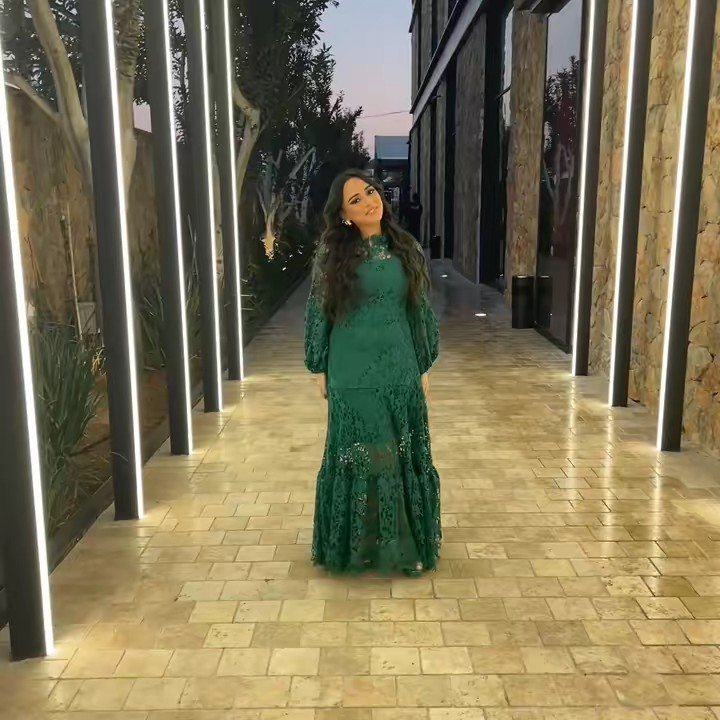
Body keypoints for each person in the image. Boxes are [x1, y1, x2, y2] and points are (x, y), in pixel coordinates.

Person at [304, 169, 441, 577]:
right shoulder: (332, 256)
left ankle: (397, 543)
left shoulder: (406, 248)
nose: (369, 202)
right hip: (352, 371)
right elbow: (319, 310)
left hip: (399, 366)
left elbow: (418, 308)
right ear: (343, 215)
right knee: (366, 455)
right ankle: (364, 544)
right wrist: (318, 365)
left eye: (370, 191)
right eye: (356, 200)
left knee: (398, 455)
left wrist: (422, 362)